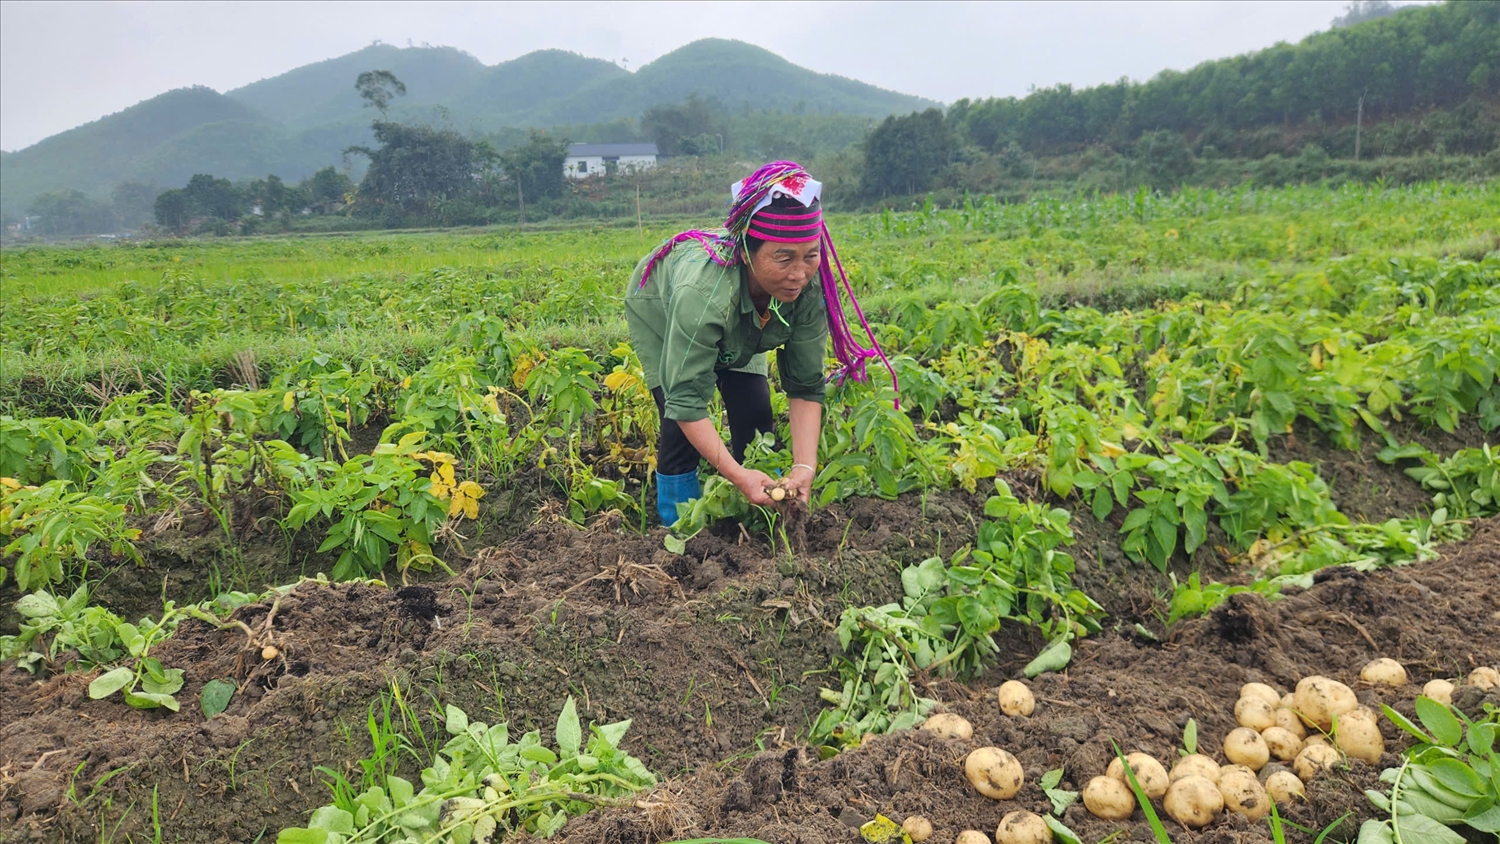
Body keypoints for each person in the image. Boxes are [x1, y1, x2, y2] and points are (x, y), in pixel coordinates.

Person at [624, 161, 893, 526]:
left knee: (754, 413)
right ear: (747, 253)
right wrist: (737, 475)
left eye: (810, 255)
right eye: (783, 258)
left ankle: (764, 513)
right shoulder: (701, 296)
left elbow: (805, 385)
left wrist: (804, 467)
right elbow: (686, 404)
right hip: (662, 307)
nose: (798, 274)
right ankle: (681, 527)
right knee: (679, 428)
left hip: (746, 313)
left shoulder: (807, 288)